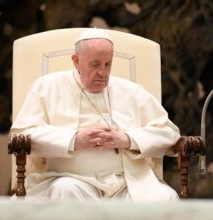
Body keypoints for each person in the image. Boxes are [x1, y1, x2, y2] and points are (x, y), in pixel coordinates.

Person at [11, 28, 181, 201]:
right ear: (76, 61)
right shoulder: (48, 87)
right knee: (65, 190)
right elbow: (21, 135)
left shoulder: (131, 91)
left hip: (126, 182)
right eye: (95, 64)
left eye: (108, 64)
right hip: (70, 178)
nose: (103, 72)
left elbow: (169, 133)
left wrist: (127, 139)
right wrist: (73, 140)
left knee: (163, 198)